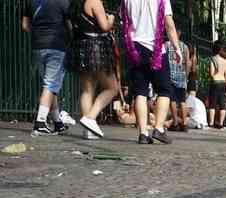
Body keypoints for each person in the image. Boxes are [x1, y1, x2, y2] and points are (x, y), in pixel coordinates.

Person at [120, 0, 181, 144]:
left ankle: (142, 133)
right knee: (165, 90)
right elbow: (169, 24)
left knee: (140, 92)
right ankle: (159, 128)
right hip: (156, 48)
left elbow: (124, 22)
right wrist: (177, 48)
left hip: (135, 48)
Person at [68, 0, 119, 140]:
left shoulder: (76, 4)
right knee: (112, 88)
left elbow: (71, 27)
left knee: (87, 90)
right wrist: (111, 19)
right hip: (97, 49)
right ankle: (90, 118)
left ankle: (87, 130)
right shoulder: (95, 2)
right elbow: (104, 27)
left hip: (81, 48)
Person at [22, 0, 71, 136]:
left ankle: (57, 123)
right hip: (56, 45)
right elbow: (70, 26)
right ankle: (40, 123)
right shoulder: (63, 2)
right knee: (50, 85)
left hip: (38, 46)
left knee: (49, 86)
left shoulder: (31, 2)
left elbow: (25, 26)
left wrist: (39, 32)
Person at [166, 34, 189, 132]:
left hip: (170, 75)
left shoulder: (166, 45)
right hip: (181, 75)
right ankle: (184, 124)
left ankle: (175, 123)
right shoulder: (185, 46)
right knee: (182, 100)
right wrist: (186, 75)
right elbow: (187, 62)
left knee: (173, 99)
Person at [207, 41, 226, 129]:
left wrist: (210, 73)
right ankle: (220, 123)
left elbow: (212, 73)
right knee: (222, 104)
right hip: (223, 83)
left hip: (215, 82)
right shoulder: (225, 61)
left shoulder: (212, 59)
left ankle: (211, 123)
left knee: (212, 104)